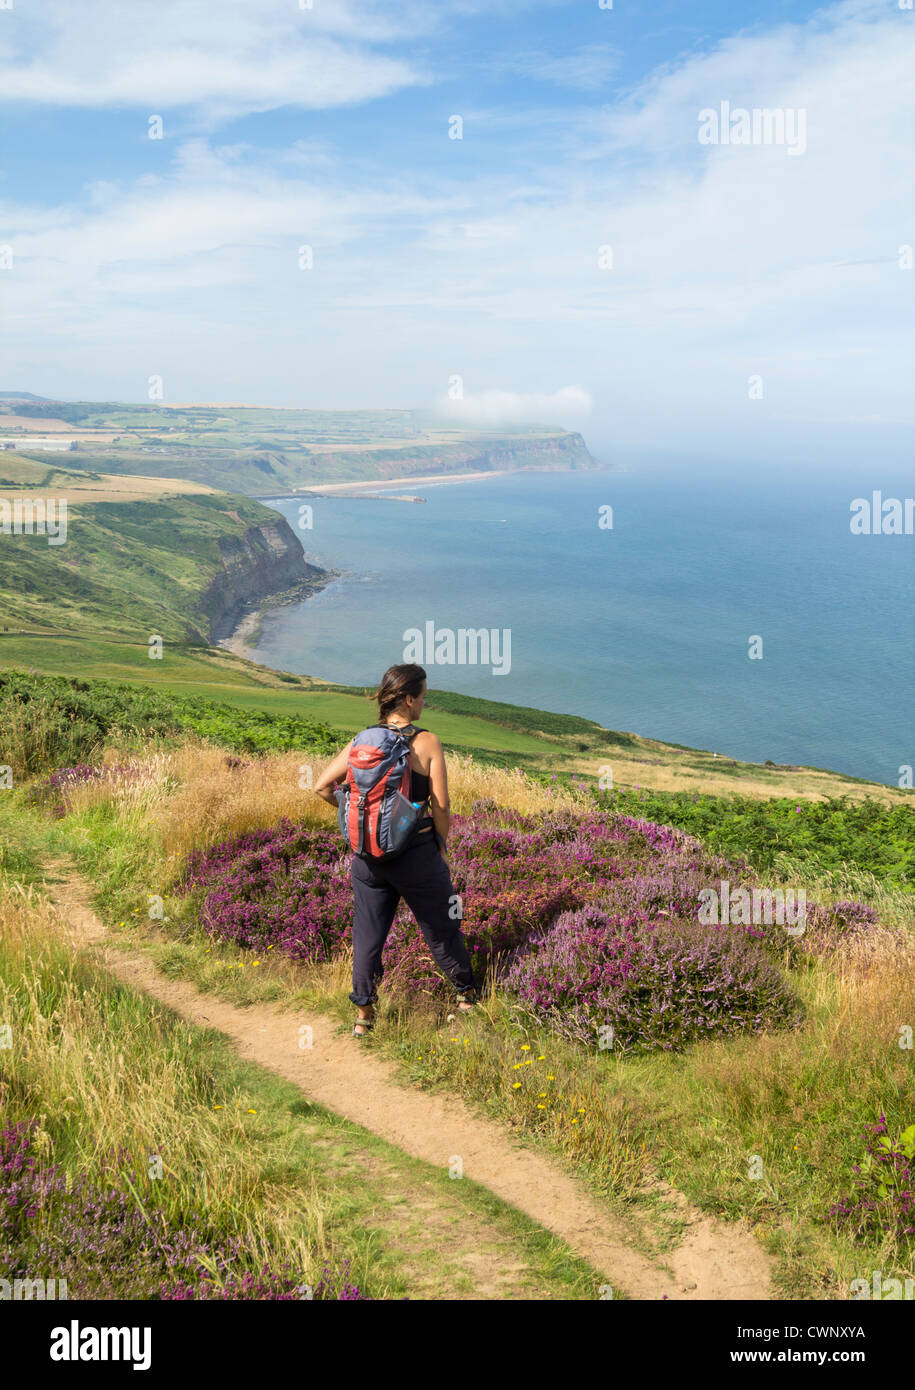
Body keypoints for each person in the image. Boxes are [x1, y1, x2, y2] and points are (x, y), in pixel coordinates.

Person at [314, 663, 479, 1037]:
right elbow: (442, 804)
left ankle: (363, 1017)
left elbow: (324, 786)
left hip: (366, 858)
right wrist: (440, 843)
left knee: (368, 934)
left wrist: (358, 818)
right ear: (408, 699)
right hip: (415, 853)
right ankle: (466, 998)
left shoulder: (362, 739)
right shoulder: (426, 742)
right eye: (422, 696)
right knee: (442, 927)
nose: (425, 702)